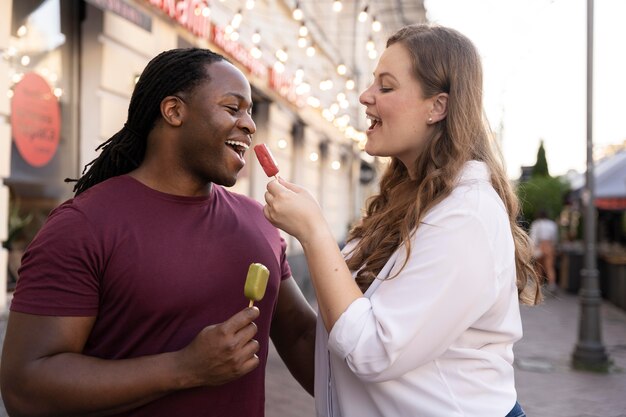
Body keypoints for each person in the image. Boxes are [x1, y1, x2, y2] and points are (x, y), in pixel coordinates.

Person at [0, 48, 316, 417]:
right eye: (233, 108)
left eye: (249, 112)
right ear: (174, 111)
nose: (249, 124)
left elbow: (300, 336)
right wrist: (184, 369)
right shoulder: (83, 225)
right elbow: (25, 388)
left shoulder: (261, 221)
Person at [263, 24, 542, 417]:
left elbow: (372, 350)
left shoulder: (467, 214)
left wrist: (313, 232)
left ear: (437, 107)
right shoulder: (407, 199)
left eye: (386, 86)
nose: (365, 96)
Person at [529, 209, 559, 295]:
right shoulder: (552, 224)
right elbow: (555, 238)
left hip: (540, 246)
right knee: (549, 267)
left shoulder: (536, 224)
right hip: (549, 246)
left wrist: (533, 248)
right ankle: (552, 285)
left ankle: (538, 287)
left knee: (539, 267)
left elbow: (533, 237)